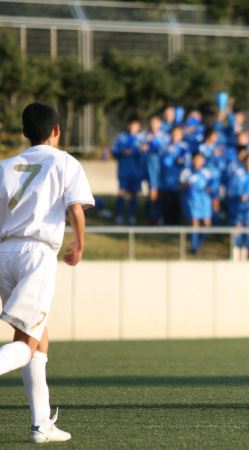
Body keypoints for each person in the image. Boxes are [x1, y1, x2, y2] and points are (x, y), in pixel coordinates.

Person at [0, 102, 94, 443]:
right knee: (26, 344)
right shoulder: (65, 161)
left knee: (36, 338)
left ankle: (41, 424)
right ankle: (40, 425)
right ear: (56, 130)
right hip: (36, 254)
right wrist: (79, 246)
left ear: (25, 132)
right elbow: (76, 209)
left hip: (5, 252)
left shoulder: (6, 166)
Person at [111, 116, 144, 225]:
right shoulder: (121, 138)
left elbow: (147, 153)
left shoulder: (142, 139)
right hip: (124, 171)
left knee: (134, 194)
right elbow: (113, 150)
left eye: (136, 125)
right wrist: (122, 152)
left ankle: (131, 217)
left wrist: (142, 151)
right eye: (131, 125)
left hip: (136, 172)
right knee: (122, 193)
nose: (133, 127)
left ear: (139, 126)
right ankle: (120, 216)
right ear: (128, 125)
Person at [180, 153, 213, 253]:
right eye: (196, 159)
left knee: (207, 223)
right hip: (192, 201)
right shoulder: (186, 172)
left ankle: (199, 243)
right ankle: (194, 247)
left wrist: (208, 189)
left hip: (204, 200)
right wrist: (187, 184)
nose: (198, 162)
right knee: (195, 223)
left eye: (201, 160)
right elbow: (180, 187)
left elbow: (211, 185)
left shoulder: (206, 172)